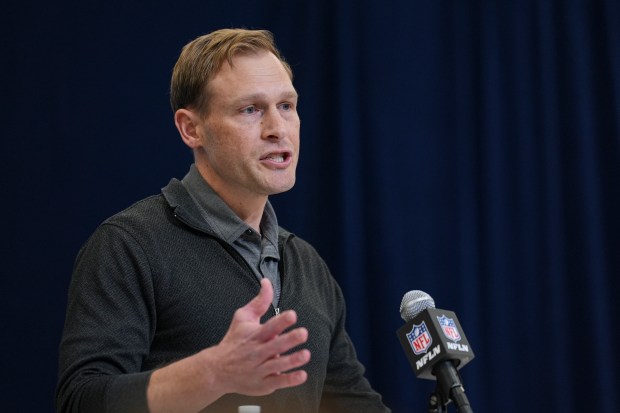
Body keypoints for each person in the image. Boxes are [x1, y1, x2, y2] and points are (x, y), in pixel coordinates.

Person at [56, 28, 391, 413]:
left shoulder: (307, 264)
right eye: (250, 110)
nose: (277, 129)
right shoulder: (129, 245)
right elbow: (80, 401)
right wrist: (213, 373)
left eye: (286, 105)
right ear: (191, 128)